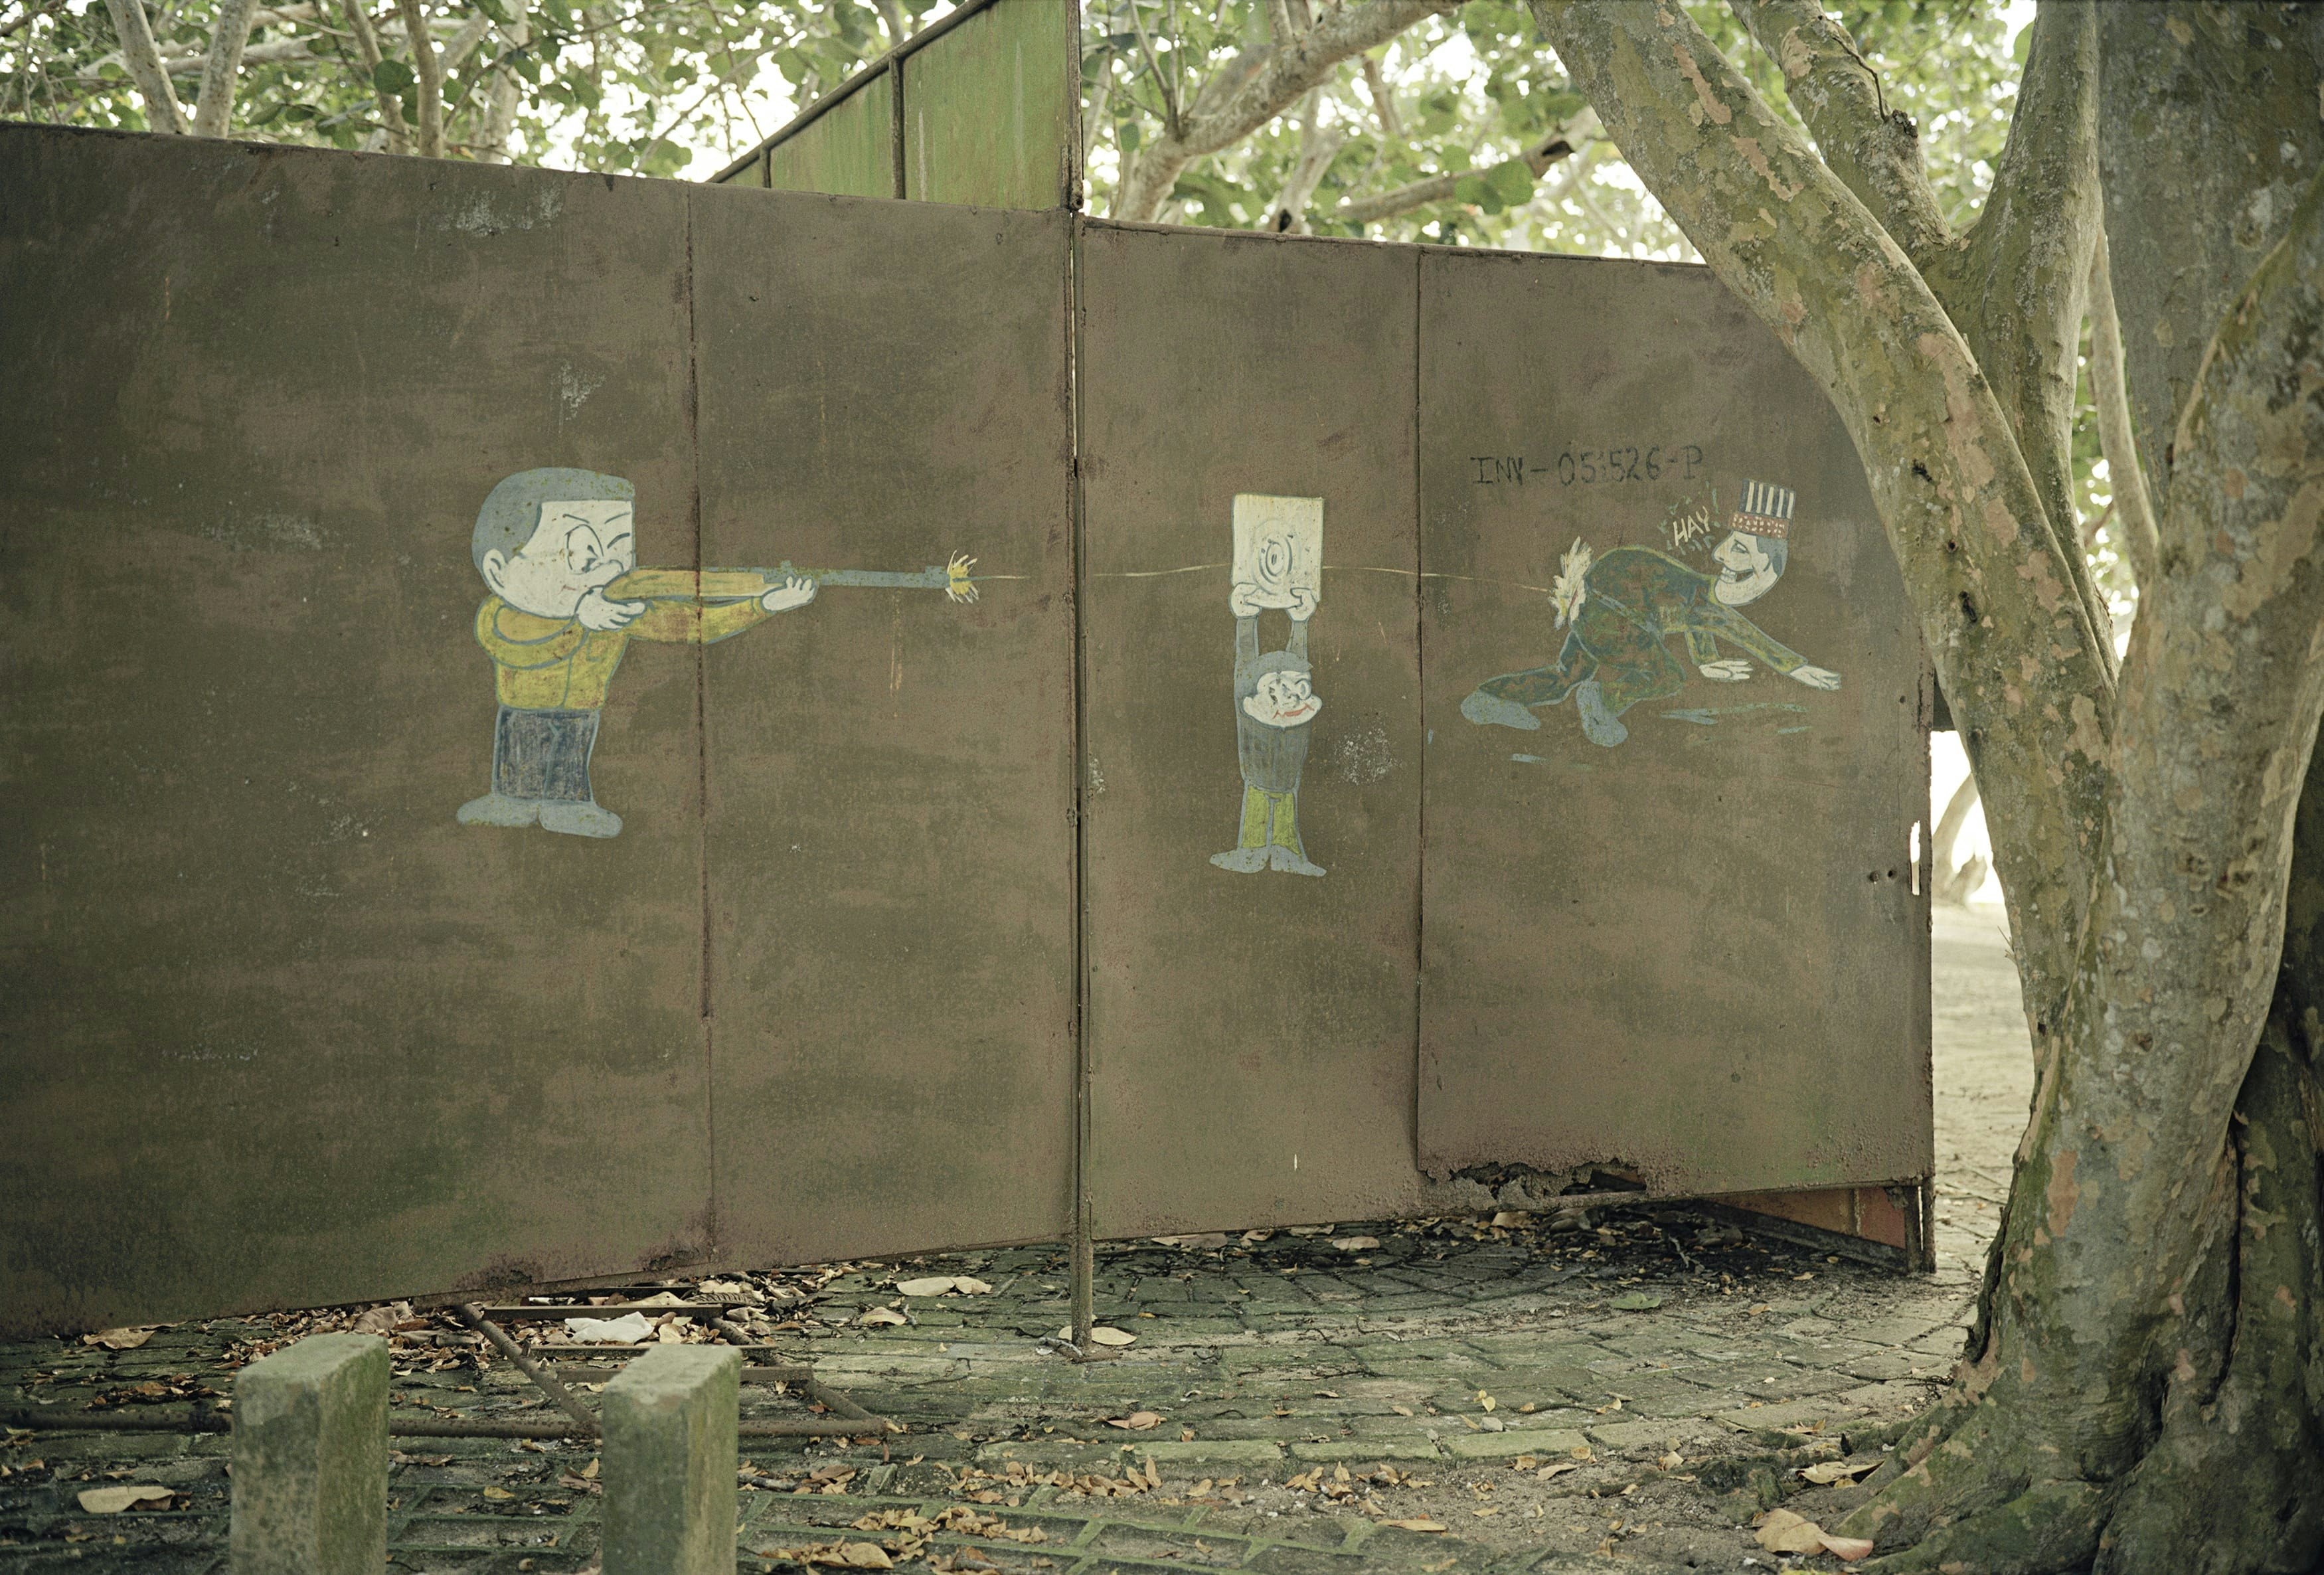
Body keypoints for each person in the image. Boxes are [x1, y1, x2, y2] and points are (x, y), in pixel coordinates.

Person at [456, 467, 815, 838]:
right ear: (500, 572)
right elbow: (519, 648)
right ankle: (511, 800)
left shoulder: (615, 609)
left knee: (569, 766)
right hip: (522, 710)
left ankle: (569, 806)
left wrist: (763, 605)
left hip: (582, 711)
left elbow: (690, 624)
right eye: (582, 557)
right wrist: (581, 617)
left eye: (620, 551)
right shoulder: (497, 614)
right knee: (520, 760)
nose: (609, 570)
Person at [1461, 509, 1839, 748]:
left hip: (1592, 605)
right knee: (1667, 675)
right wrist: (1795, 667)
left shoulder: (1696, 590)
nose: (1724, 557)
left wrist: (1706, 659)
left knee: (1564, 676)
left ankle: (1487, 699)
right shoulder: (1702, 596)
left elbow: (1702, 618)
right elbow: (1736, 628)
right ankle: (1602, 702)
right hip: (1608, 610)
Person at [1212, 579, 1325, 876]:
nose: (1289, 696)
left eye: (1298, 688)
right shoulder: (1251, 707)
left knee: (1285, 809)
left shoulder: (1298, 715)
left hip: (1287, 780)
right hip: (1258, 777)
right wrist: (1246, 619)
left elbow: (1299, 660)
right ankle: (1251, 851)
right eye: (1278, 689)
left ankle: (1286, 853)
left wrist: (1300, 624)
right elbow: (1246, 664)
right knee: (1258, 803)